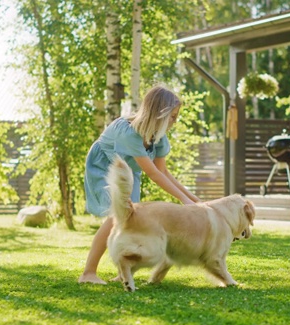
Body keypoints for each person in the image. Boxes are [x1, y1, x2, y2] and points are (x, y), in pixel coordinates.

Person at [78, 85, 200, 284]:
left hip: (129, 173)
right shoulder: (129, 133)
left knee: (127, 219)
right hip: (105, 169)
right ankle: (88, 273)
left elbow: (163, 172)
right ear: (159, 113)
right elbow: (152, 173)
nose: (175, 122)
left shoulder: (158, 137)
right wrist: (185, 201)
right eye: (173, 116)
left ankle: (122, 272)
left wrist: (195, 201)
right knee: (115, 216)